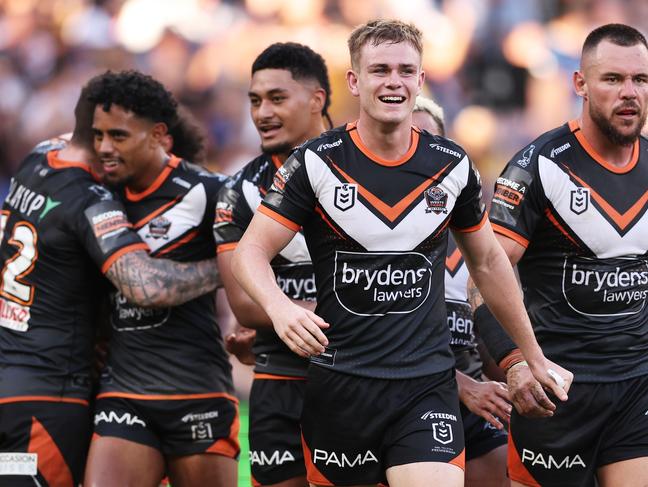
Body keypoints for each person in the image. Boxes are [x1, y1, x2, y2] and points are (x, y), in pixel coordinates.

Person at [231, 19, 570, 487]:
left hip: (425, 388)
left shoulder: (451, 165)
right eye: (380, 70)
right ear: (354, 81)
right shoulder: (314, 162)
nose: (394, 81)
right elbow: (249, 253)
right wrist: (280, 308)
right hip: (341, 386)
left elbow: (489, 264)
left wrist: (532, 357)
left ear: (421, 79)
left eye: (405, 71)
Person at [0, 79, 220, 487]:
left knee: (8, 476)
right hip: (47, 397)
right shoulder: (90, 199)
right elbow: (145, 287)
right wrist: (228, 268)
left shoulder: (37, 158)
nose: (109, 150)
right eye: (107, 136)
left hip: (8, 383)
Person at [472, 23, 648, 487]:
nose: (629, 93)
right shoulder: (539, 167)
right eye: (612, 79)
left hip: (636, 387)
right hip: (556, 393)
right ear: (581, 84)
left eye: (641, 80)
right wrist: (514, 363)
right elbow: (482, 279)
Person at [83, 70, 237, 487]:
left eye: (118, 136)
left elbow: (273, 257)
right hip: (123, 391)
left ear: (157, 134)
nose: (104, 148)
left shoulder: (211, 192)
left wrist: (258, 318)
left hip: (197, 387)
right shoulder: (97, 197)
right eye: (98, 136)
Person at [214, 42, 331, 487]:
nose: (262, 112)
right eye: (255, 100)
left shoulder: (363, 167)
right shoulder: (238, 191)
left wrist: (284, 308)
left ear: (317, 99)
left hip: (360, 377)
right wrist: (356, 308)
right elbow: (245, 305)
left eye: (277, 99)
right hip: (279, 381)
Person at [412, 96, 509, 487]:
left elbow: (489, 330)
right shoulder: (369, 236)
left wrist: (519, 373)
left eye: (427, 141)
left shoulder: (475, 243)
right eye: (406, 139)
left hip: (472, 399)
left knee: (507, 454)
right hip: (404, 393)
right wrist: (463, 386)